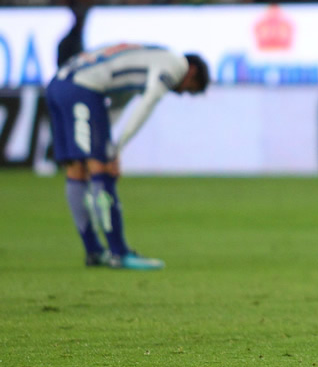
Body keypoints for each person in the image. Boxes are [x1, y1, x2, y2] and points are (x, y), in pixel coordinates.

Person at [46, 43, 210, 269]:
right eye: (189, 88)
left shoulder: (149, 58)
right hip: (83, 88)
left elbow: (118, 103)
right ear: (191, 71)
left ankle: (94, 251)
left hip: (58, 85)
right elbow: (147, 103)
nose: (181, 93)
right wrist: (115, 150)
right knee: (101, 169)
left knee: (76, 169)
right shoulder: (175, 65)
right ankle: (119, 253)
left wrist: (108, 144)